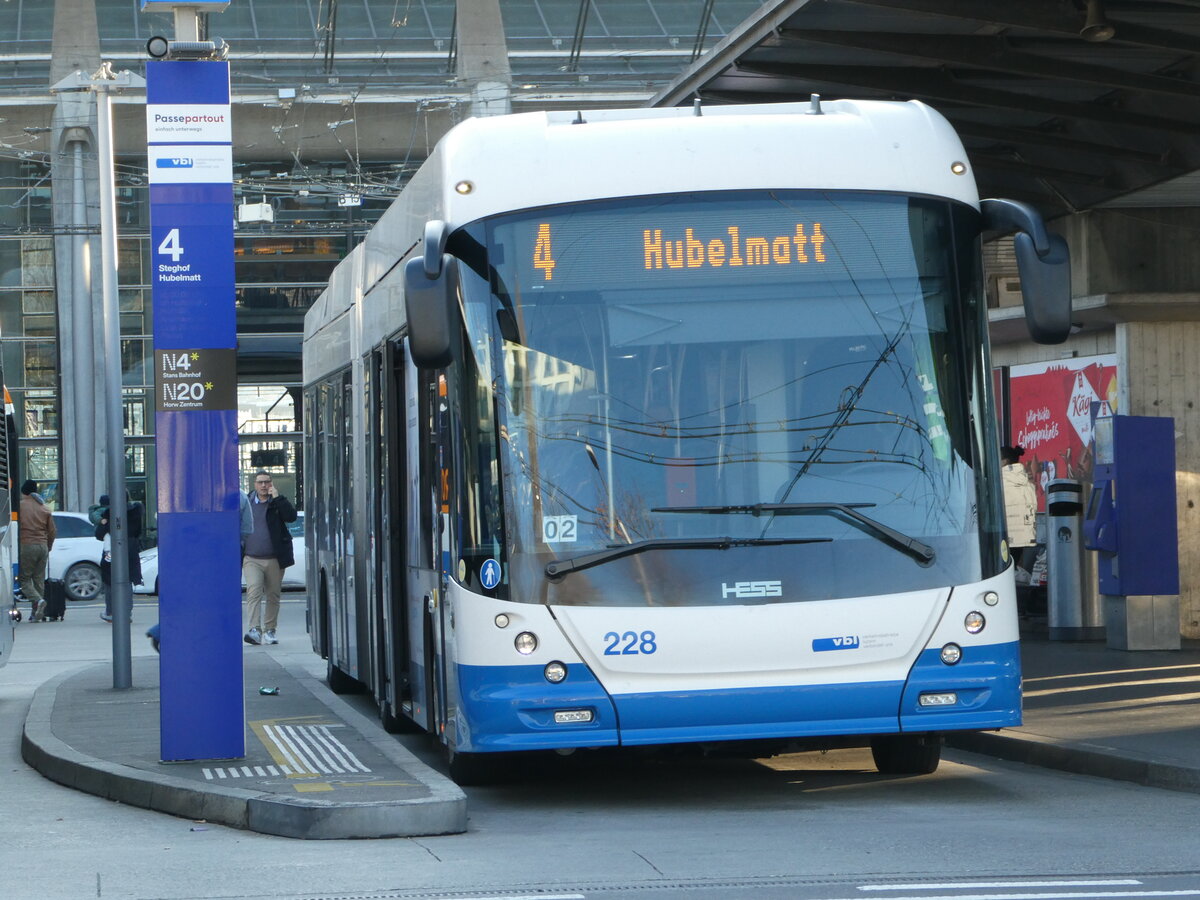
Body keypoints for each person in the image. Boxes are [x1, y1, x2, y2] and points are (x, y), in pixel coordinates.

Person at [145, 490, 251, 653]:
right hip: (226, 551)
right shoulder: (239, 496)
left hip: (193, 550)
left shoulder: (190, 492)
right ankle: (216, 639)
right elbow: (247, 529)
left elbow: (163, 517)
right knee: (222, 598)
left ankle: (164, 630)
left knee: (194, 596)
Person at [242, 471, 296, 646]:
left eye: (267, 482)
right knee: (254, 591)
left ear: (272, 484)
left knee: (273, 594)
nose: (264, 486)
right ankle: (254, 630)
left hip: (274, 558)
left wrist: (278, 498)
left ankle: (270, 630)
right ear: (254, 484)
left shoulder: (277, 503)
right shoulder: (247, 503)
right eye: (260, 482)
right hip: (252, 558)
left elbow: (291, 516)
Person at [94, 492, 144, 623]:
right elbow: (139, 531)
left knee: (109, 579)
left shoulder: (110, 512)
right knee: (127, 580)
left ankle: (111, 612)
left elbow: (99, 534)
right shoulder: (136, 511)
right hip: (131, 548)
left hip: (113, 549)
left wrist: (104, 524)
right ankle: (127, 612)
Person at [18, 479, 55, 622]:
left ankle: (38, 601)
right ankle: (36, 614)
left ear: (24, 491)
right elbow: (52, 531)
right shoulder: (44, 508)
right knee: (39, 580)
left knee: (24, 579)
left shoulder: (20, 506)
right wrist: (48, 546)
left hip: (27, 544)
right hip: (43, 545)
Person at [1001, 445, 1038, 572]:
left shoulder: (998, 482)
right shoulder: (1028, 484)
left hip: (1002, 541)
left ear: (1004, 461)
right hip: (1024, 541)